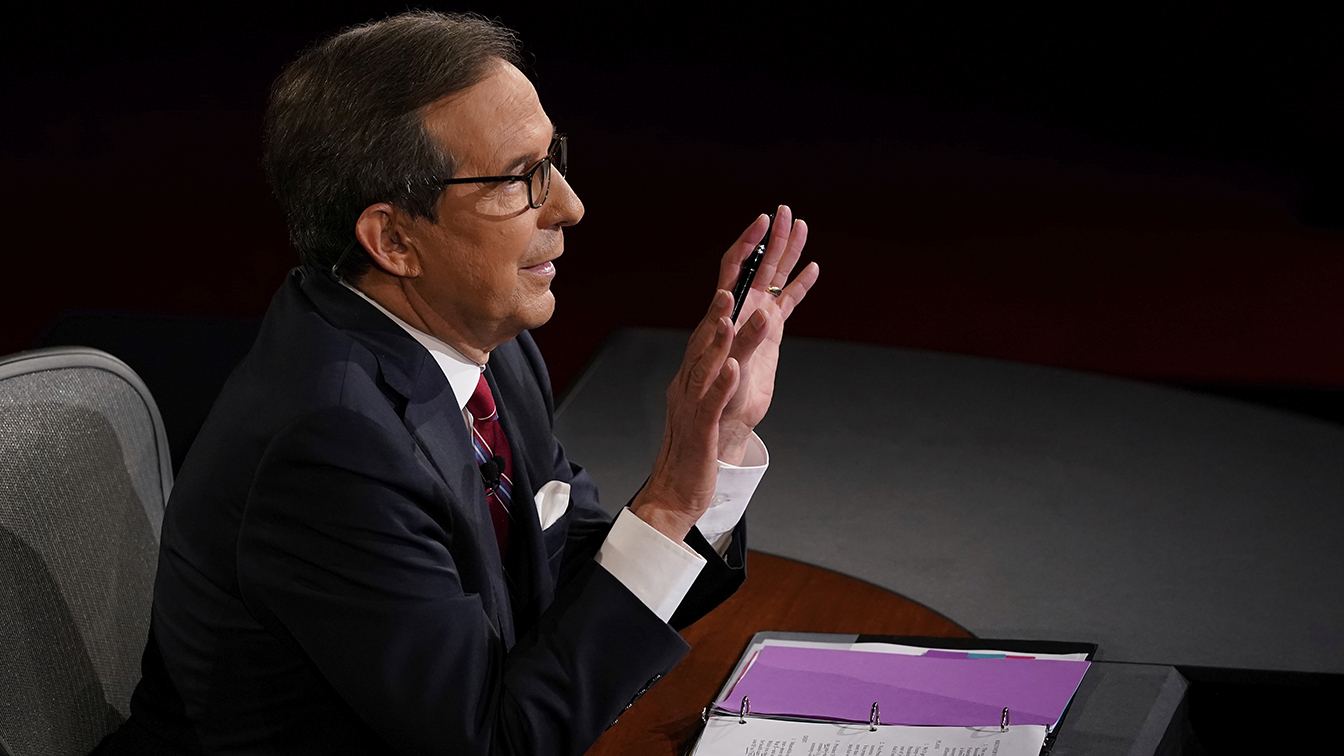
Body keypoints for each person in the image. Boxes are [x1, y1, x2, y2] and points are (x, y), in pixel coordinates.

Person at [104, 11, 818, 756]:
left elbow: (569, 580)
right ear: (394, 240)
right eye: (520, 178)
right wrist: (669, 499)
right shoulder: (329, 443)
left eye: (555, 159)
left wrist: (719, 446)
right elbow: (493, 742)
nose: (570, 205)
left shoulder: (481, 344)